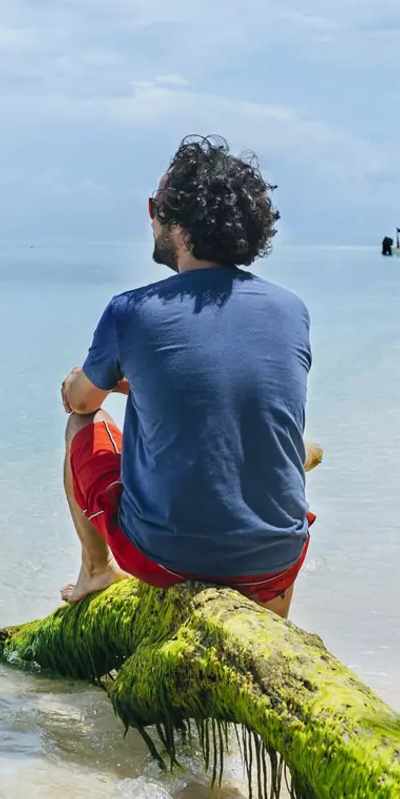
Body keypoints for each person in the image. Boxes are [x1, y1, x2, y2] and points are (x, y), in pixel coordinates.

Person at [57, 136, 313, 619]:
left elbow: (82, 402)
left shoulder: (131, 312)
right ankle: (270, 613)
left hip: (165, 560)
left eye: (155, 206)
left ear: (176, 223)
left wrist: (81, 381)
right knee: (274, 442)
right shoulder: (291, 309)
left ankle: (95, 571)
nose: (150, 217)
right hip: (280, 557)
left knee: (79, 427)